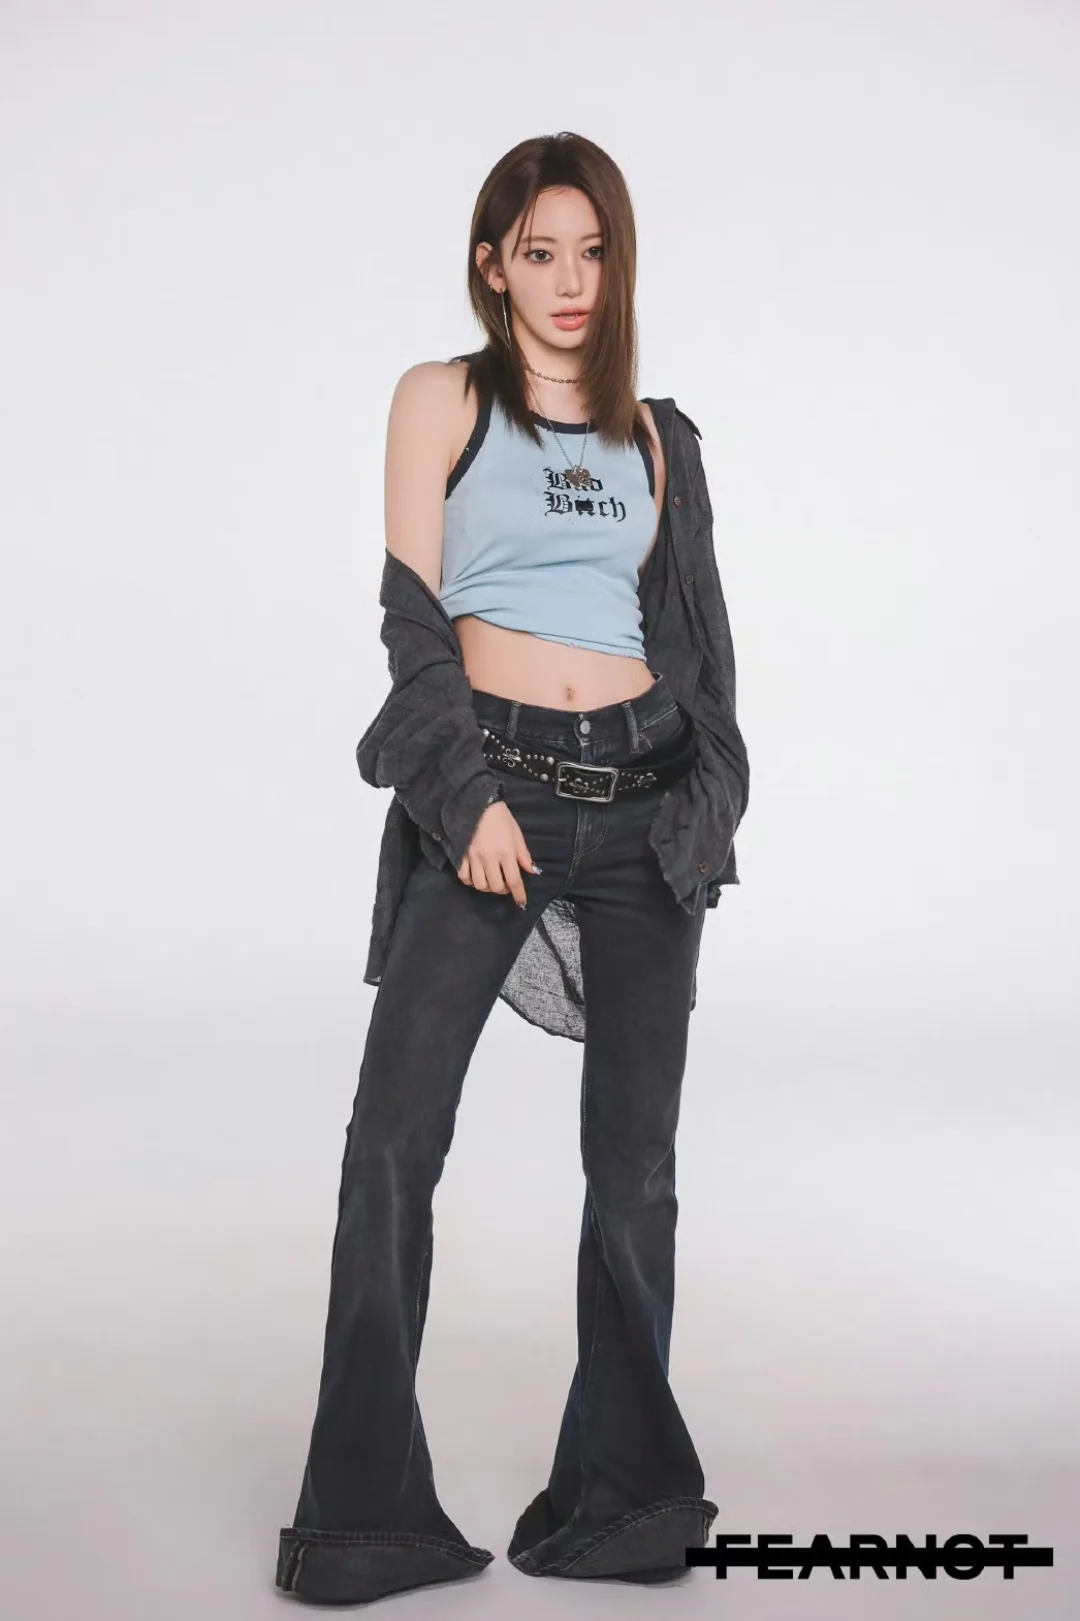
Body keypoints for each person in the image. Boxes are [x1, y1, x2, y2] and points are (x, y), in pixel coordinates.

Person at [275, 130, 750, 1607]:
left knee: (636, 1168)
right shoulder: (445, 400)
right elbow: (413, 622)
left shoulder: (659, 437)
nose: (568, 280)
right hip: (493, 792)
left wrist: (705, 813)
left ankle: (626, 1497)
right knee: (393, 1141)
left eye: (591, 251)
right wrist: (467, 795)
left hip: (644, 810)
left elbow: (699, 649)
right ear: (493, 267)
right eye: (539, 252)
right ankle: (364, 1515)